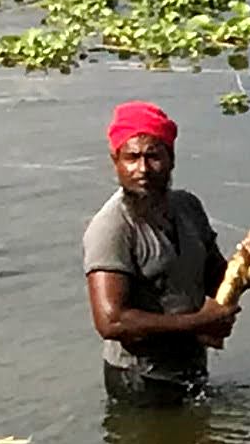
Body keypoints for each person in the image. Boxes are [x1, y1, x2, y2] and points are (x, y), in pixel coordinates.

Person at [84, 102, 234, 408]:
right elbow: (111, 322)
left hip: (189, 365)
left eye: (153, 156)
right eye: (131, 158)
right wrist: (198, 323)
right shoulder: (112, 227)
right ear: (116, 161)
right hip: (140, 379)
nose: (142, 169)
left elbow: (216, 278)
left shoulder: (188, 208)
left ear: (171, 159)